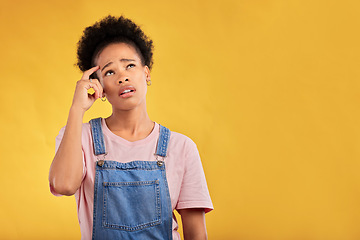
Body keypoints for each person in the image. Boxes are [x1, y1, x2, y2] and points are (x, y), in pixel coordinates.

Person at [49, 15, 213, 240]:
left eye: (130, 66)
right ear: (99, 87)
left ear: (146, 74)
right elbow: (65, 185)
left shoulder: (181, 147)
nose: (122, 77)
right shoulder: (80, 136)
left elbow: (196, 234)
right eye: (109, 72)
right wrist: (77, 109)